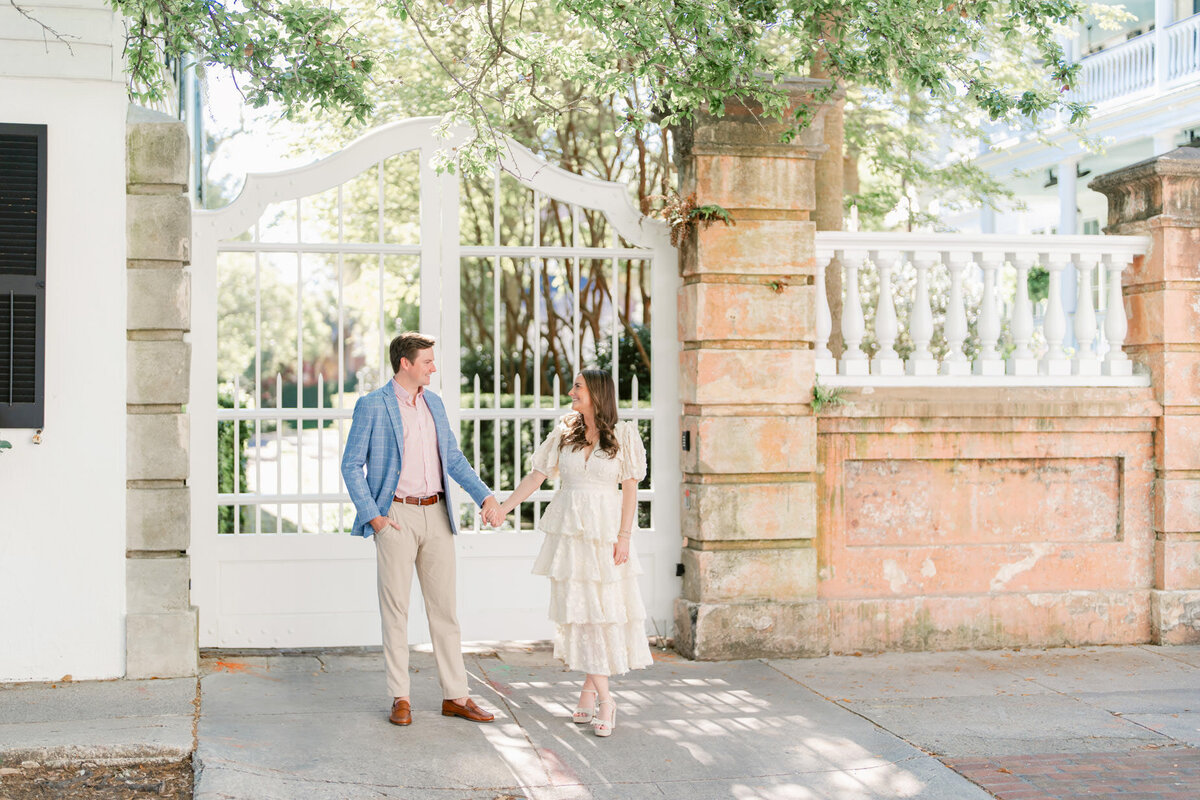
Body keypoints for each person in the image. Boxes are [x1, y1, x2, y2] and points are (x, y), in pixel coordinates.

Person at [340, 332, 504, 727]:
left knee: (445, 611)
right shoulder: (372, 405)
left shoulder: (434, 403)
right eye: (427, 361)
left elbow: (454, 458)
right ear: (405, 364)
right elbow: (350, 465)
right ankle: (401, 697)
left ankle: (456, 696)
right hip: (395, 515)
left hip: (437, 515)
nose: (433, 367)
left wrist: (485, 497)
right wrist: (375, 518)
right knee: (396, 611)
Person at [496, 368, 652, 737]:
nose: (571, 391)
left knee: (598, 615)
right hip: (570, 537)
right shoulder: (566, 430)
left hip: (604, 535)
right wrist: (504, 508)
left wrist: (625, 536)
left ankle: (605, 699)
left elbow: (630, 490)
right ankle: (591, 691)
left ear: (597, 393)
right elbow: (537, 476)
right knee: (579, 614)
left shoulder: (624, 435)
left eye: (578, 386)